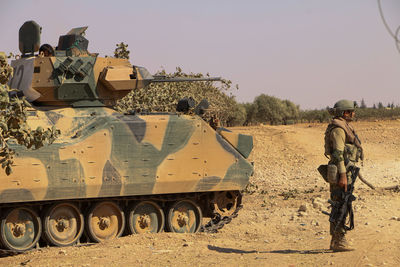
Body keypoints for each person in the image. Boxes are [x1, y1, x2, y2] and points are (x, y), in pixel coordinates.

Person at [324, 99, 363, 252]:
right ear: (344, 113)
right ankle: (339, 240)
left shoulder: (343, 126)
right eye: (351, 111)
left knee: (341, 204)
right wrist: (343, 175)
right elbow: (338, 154)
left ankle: (336, 240)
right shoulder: (339, 129)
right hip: (341, 171)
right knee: (340, 205)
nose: (353, 113)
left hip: (345, 170)